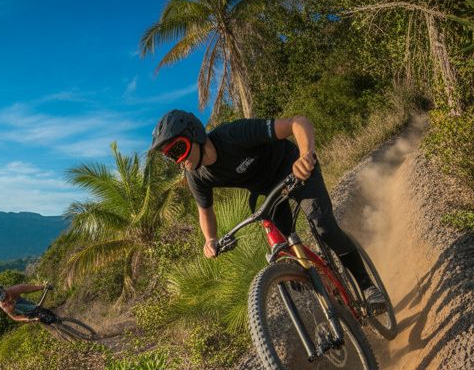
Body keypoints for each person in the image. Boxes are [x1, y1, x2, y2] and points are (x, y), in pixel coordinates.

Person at [148, 109, 386, 310]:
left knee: (322, 224)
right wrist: (209, 240)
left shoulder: (234, 134)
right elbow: (205, 210)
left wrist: (305, 156)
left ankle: (367, 286)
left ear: (195, 134)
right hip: (266, 191)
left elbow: (298, 123)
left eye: (178, 150)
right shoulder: (196, 176)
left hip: (293, 168)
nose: (178, 160)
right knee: (283, 250)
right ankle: (328, 289)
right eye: (171, 157)